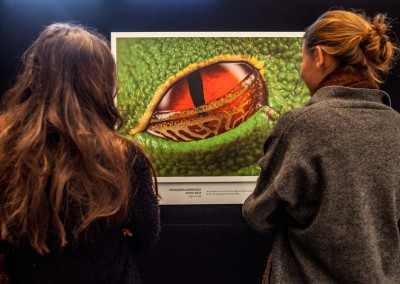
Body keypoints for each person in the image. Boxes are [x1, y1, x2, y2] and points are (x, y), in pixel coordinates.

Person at [243, 9, 400, 283]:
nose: (301, 68)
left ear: (319, 57)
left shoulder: (301, 124)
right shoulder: (396, 124)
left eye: (302, 59)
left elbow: (259, 214)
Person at [0, 23, 160, 283]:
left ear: (34, 76)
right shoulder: (123, 155)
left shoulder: (6, 149)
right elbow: (146, 237)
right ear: (101, 83)